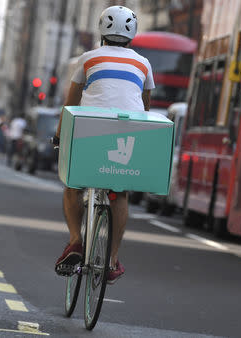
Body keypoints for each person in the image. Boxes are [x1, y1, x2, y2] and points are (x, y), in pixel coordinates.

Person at [54, 5, 155, 284]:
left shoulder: (87, 59)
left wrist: (60, 136)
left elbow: (70, 104)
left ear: (102, 31)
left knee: (73, 186)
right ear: (132, 34)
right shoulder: (143, 63)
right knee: (119, 193)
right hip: (127, 131)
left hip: (90, 129)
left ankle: (75, 241)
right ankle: (111, 260)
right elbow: (144, 108)